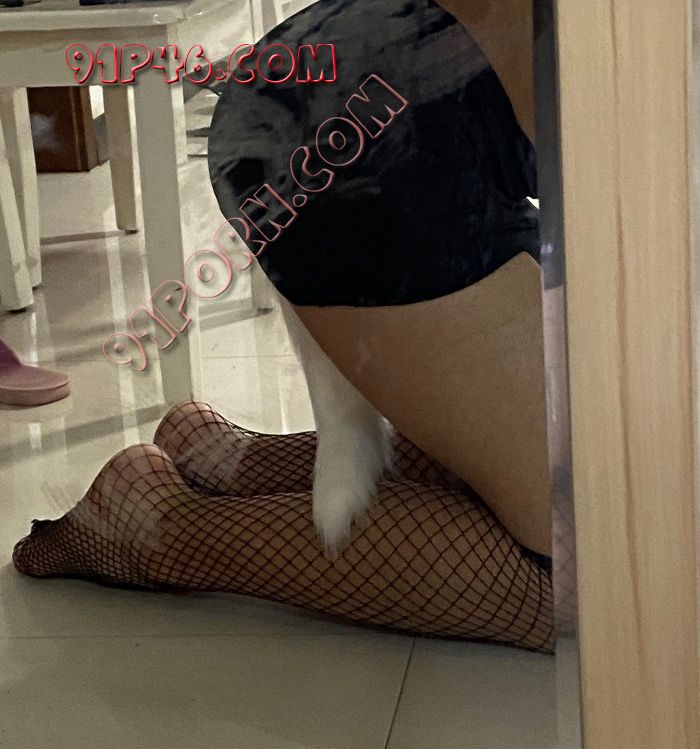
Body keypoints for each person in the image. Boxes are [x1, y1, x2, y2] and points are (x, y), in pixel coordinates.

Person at [13, 0, 554, 652]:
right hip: (381, 137)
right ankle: (155, 525)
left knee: (587, 461)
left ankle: (229, 460)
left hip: (347, 72)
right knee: (590, 554)